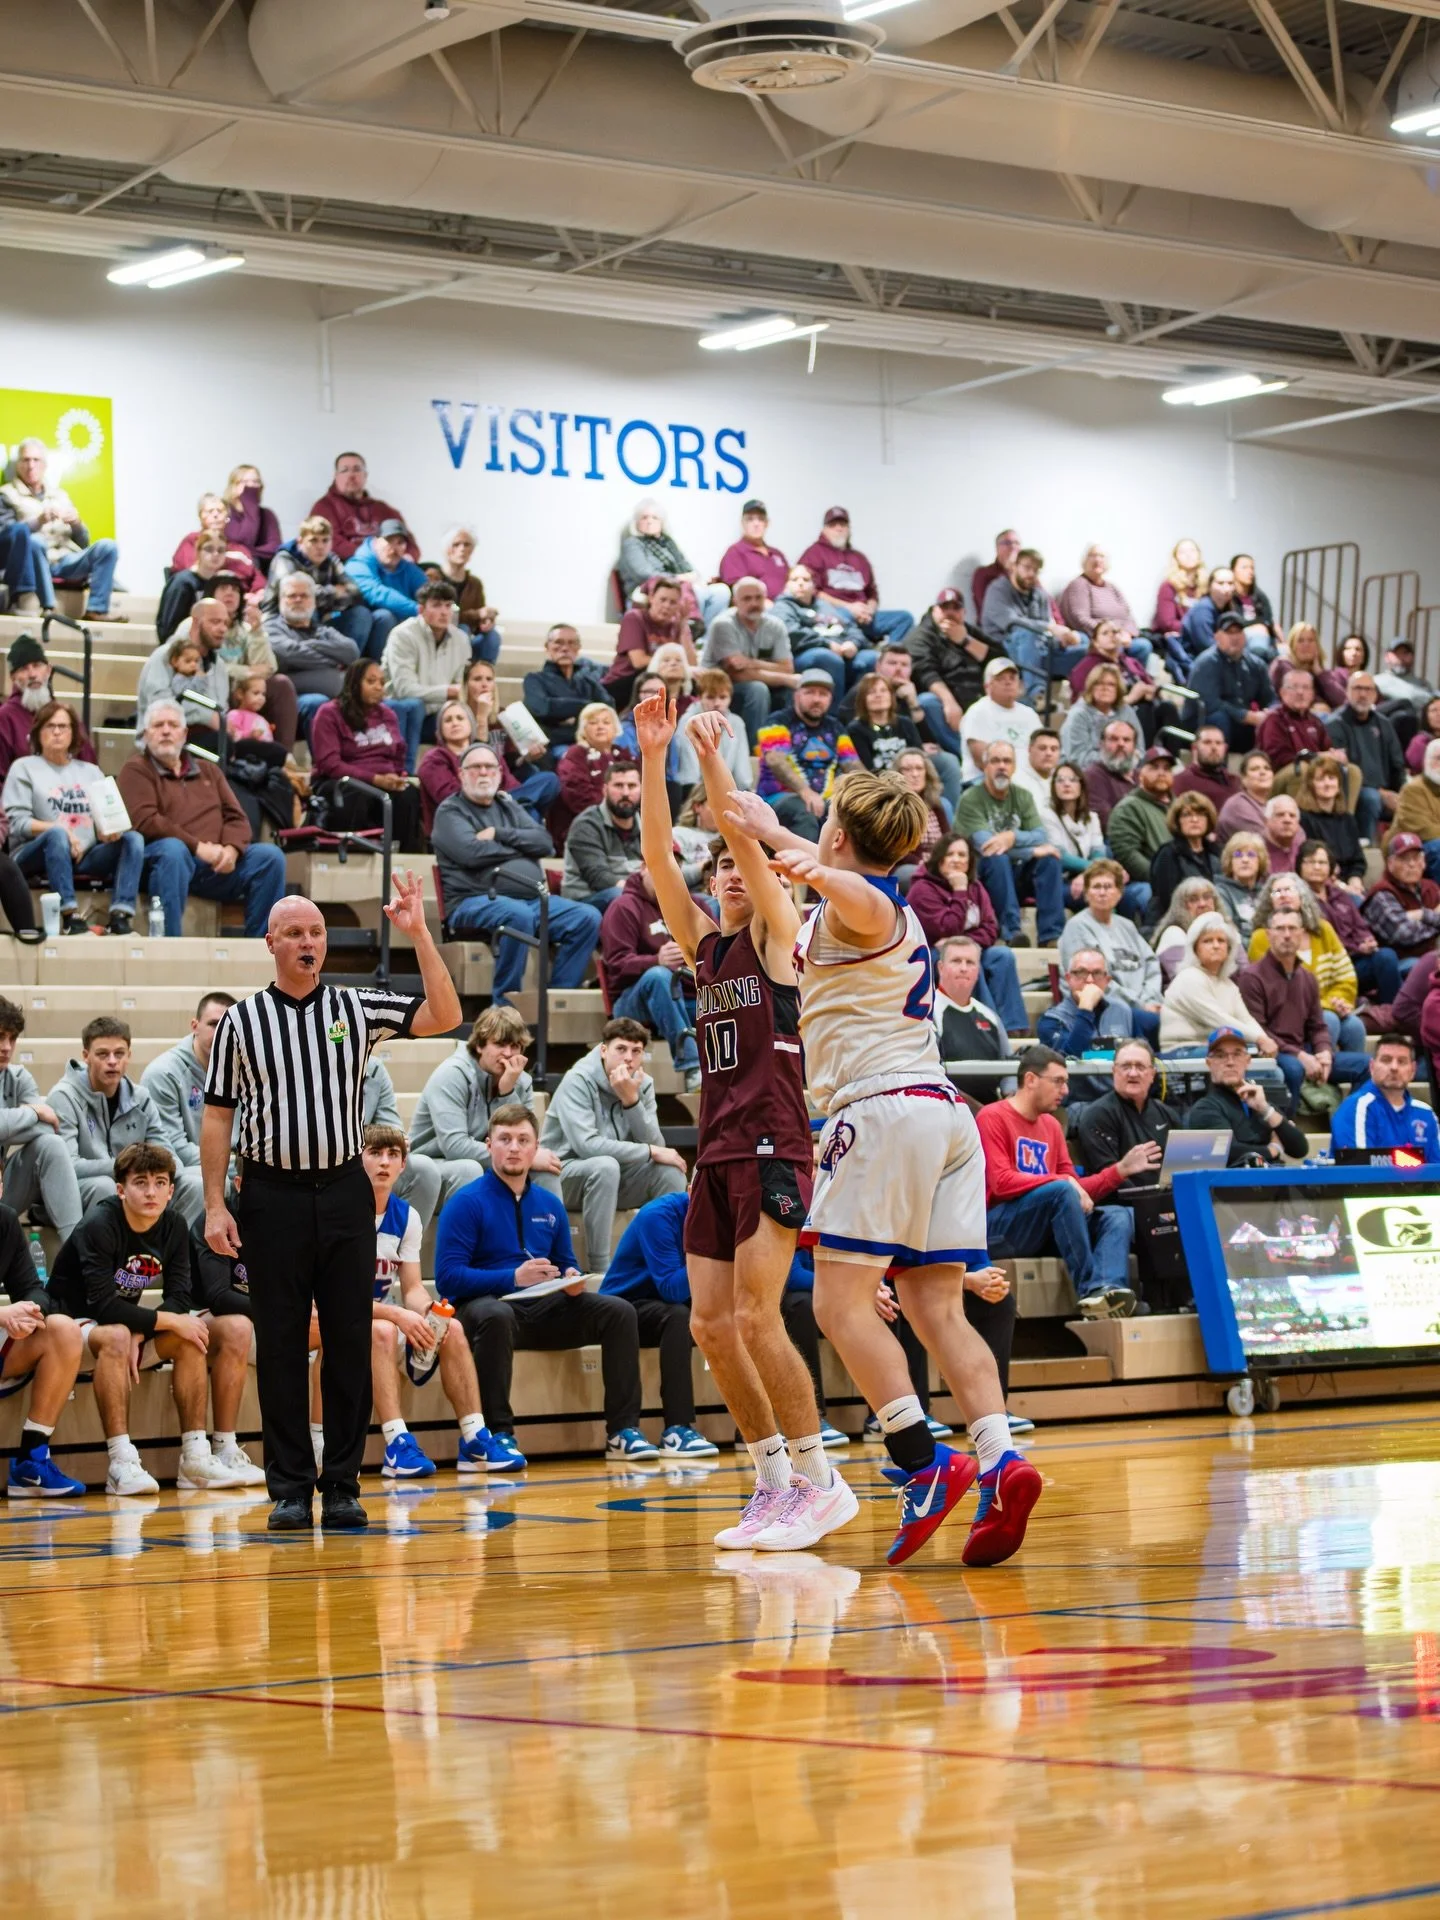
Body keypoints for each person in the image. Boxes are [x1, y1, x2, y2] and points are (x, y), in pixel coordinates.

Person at [721, 769, 1041, 1569]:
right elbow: (785, 877)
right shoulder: (833, 904)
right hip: (941, 1117)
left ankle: (920, 1462)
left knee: (839, 1305)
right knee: (938, 1312)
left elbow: (852, 890)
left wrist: (788, 845)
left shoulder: (875, 904)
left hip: (883, 1110)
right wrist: (754, 823)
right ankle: (1001, 1459)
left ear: (838, 837)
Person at [635, 692, 845, 1538]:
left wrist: (714, 761)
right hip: (717, 1151)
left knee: (760, 1318)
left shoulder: (776, 938)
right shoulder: (705, 948)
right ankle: (772, 1482)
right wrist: (654, 756)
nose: (727, 873)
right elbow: (657, 860)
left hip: (773, 1143)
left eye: (736, 863)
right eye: (716, 864)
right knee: (712, 1326)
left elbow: (753, 860)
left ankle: (822, 1478)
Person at [201, 880, 462, 1532]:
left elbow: (445, 1015)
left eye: (315, 932)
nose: (308, 942)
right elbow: (217, 1118)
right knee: (285, 1344)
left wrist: (420, 935)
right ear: (271, 944)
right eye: (294, 933)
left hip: (344, 1193)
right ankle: (290, 1487)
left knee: (349, 1341)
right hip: (269, 1196)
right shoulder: (240, 1021)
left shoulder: (356, 1006)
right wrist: (214, 1204)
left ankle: (342, 1485)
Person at [436, 1102, 659, 1464]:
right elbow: (448, 1277)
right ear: (489, 1144)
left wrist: (571, 1279)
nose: (514, 1147)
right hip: (484, 1309)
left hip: (542, 1309)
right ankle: (497, 1434)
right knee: (495, 1315)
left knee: (618, 1311)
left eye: (523, 1139)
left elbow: (566, 1264)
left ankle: (622, 1431)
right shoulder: (465, 1202)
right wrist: (511, 1277)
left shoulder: (549, 1203)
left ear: (536, 1147)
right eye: (505, 1139)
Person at [49, 1142, 244, 1493]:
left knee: (191, 1333)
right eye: (140, 1182)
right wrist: (154, 1323)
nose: (151, 1191)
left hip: (124, 1326)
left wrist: (147, 1327)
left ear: (172, 1190)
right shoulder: (99, 1224)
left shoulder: (174, 1225)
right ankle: (120, 1461)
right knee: (120, 1333)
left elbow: (180, 1295)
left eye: (159, 1182)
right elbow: (105, 1308)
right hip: (72, 1325)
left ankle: (195, 1457)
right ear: (121, 1190)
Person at [352, 1125, 502, 1478]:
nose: (384, 1163)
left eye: (393, 1156)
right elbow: (336, 1299)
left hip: (383, 1316)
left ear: (404, 1165)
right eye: (375, 1154)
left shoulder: (407, 1217)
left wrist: (428, 1313)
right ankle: (396, 1444)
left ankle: (474, 1438)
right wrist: (398, 1315)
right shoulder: (338, 1214)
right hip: (342, 1320)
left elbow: (414, 1287)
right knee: (385, 1331)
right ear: (359, 1160)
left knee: (453, 1329)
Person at [433, 743, 601, 1006]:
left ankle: (555, 999)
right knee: (517, 915)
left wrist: (499, 835)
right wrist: (520, 851)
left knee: (586, 917)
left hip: (530, 900)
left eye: (489, 767)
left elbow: (544, 843)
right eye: (475, 767)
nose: (483, 773)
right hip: (472, 900)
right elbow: (471, 853)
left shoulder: (507, 805)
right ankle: (504, 1005)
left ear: (500, 773)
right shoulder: (450, 811)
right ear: (461, 774)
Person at [977, 1047, 1140, 1318]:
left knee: (1118, 1216)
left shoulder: (1051, 1126)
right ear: (1030, 1080)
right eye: (1058, 1081)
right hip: (1000, 1227)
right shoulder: (992, 1117)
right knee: (1061, 1190)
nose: (1065, 1091)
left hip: (1046, 1224)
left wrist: (1119, 1171)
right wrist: (1063, 1181)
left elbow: (1075, 1190)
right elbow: (1002, 1183)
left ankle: (1105, 1289)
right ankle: (1088, 1291)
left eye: (1066, 1082)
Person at [117, 700, 287, 938]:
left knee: (270, 857)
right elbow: (145, 820)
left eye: (173, 725)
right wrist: (197, 847)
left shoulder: (209, 770)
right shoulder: (135, 769)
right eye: (158, 725)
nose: (166, 730)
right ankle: (170, 946)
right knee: (173, 850)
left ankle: (259, 950)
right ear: (146, 735)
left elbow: (237, 818)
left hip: (214, 865)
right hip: (162, 863)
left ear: (184, 734)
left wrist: (231, 850)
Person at [538, 1019, 688, 1273]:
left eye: (636, 1051)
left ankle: (665, 1265)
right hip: (563, 1174)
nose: (628, 1058)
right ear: (603, 1050)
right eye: (621, 1049)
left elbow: (656, 1143)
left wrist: (631, 1101)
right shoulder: (578, 1080)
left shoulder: (643, 1084)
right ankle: (601, 1269)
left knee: (670, 1172)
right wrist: (649, 1151)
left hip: (614, 1177)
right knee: (605, 1166)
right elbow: (586, 1146)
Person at [595, 1193, 722, 1457]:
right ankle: (677, 1429)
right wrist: (713, 1254)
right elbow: (671, 1289)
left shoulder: (723, 1220)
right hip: (626, 1306)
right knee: (677, 1315)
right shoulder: (659, 1215)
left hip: (670, 1304)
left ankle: (751, 1430)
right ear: (693, 1188)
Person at [3, 700, 144, 936]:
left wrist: (108, 831)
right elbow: (17, 824)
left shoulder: (91, 771)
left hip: (84, 855)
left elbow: (107, 820)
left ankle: (120, 915)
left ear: (73, 733)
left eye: (63, 726)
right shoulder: (24, 767)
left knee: (133, 839)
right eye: (50, 726)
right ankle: (70, 915)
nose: (57, 732)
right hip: (32, 854)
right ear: (38, 732)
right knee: (56, 834)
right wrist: (59, 830)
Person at [50, 1013, 205, 1223]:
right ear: (86, 1056)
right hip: (84, 1186)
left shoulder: (140, 1097)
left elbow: (165, 1150)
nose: (112, 1061)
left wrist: (162, 1174)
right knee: (106, 1187)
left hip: (136, 1182)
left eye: (119, 1053)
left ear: (129, 1055)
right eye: (103, 1054)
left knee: (198, 1183)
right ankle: (109, 1255)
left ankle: (169, 1252)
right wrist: (128, 1169)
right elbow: (69, 1167)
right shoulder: (64, 1097)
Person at [0, 1160, 87, 1493]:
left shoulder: (6, 1221)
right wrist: (3, 1315)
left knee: (63, 1329)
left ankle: (30, 1462)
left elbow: (34, 1287)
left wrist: (30, 1312)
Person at [409, 1005, 549, 1202]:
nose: (508, 1053)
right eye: (500, 1044)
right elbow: (454, 1146)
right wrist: (523, 1156)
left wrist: (507, 1091)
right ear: (480, 1045)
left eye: (515, 1046)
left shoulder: (521, 1081)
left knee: (546, 1171)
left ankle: (541, 1233)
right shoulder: (453, 1074)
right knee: (469, 1169)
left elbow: (525, 1138)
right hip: (432, 1163)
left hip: (487, 1159)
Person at [1237, 905, 1370, 1109]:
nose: (1287, 935)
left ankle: (1349, 1118)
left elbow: (1317, 1025)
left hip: (1304, 1050)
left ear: (1302, 934)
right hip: (1273, 1053)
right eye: (1280, 928)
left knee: (1366, 1065)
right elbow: (1259, 1030)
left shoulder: (1307, 978)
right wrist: (1300, 1056)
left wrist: (1324, 1052)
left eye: (1292, 928)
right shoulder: (1252, 977)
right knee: (1293, 1069)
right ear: (1268, 934)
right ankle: (1287, 1130)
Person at [907, 833, 1028, 1033]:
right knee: (967, 961)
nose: (956, 860)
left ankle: (1014, 1028)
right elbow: (947, 928)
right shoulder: (922, 889)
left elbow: (991, 928)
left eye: (962, 855)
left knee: (1003, 956)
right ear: (940, 858)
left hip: (966, 948)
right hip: (931, 955)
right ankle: (987, 1028)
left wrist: (966, 943)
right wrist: (959, 890)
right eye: (951, 854)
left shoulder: (976, 887)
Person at [599, 868, 704, 1090]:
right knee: (659, 977)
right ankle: (692, 1067)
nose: (667, 877)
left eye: (673, 871)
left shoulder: (694, 906)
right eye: (660, 868)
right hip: (632, 999)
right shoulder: (623, 907)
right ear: (645, 868)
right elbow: (616, 965)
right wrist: (656, 960)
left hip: (685, 997)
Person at [953, 740, 1064, 947]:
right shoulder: (970, 799)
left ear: (1014, 767)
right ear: (985, 767)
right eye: (995, 761)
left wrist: (1012, 837)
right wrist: (1031, 851)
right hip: (983, 876)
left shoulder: (1022, 795)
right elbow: (987, 846)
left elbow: (1040, 834)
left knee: (1050, 859)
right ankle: (1011, 932)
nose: (1002, 766)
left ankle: (1051, 936)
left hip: (1016, 874)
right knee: (998, 858)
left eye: (1007, 761)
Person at [0, 438, 124, 619]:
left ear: (45, 465)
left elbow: (83, 542)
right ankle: (48, 607)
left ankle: (96, 609)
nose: (31, 465)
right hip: (33, 561)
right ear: (18, 465)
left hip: (66, 560)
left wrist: (77, 524)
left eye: (36, 460)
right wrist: (38, 521)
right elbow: (7, 537)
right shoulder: (7, 494)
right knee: (35, 541)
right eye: (26, 460)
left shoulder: (59, 495)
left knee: (108, 547)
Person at [309, 658, 421, 847]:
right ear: (354, 683)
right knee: (357, 792)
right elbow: (330, 764)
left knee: (409, 794)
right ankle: (353, 856)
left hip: (383, 780)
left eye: (381, 682)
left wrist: (397, 776)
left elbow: (398, 753)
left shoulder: (388, 714)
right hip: (340, 781)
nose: (378, 687)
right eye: (371, 681)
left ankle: (402, 860)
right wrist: (375, 779)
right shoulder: (329, 713)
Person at [1250, 870, 1366, 1053]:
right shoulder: (1261, 937)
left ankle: (1337, 1072)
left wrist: (1337, 1001)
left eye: (1289, 889)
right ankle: (1317, 1073)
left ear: (1302, 895)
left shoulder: (1323, 930)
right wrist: (1323, 1008)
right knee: (1329, 1021)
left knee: (1355, 1027)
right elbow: (1267, 987)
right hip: (1287, 1015)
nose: (1283, 895)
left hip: (1327, 1007)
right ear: (1269, 900)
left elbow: (1346, 976)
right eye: (1277, 892)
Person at [0, 998, 83, 1242]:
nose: (6, 1047)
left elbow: (48, 1127)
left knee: (51, 1145)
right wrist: (34, 1113)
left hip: (4, 1187)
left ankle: (76, 1252)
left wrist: (13, 1123)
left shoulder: (19, 1077)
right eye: (0, 1036)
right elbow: (40, 1118)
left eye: (12, 1038)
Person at [1059, 860, 1163, 1042]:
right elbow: (1094, 980)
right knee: (1160, 1024)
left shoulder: (1127, 925)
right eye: (1096, 887)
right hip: (1105, 1007)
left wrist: (1150, 999)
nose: (1102, 892)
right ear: (1086, 893)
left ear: (1119, 893)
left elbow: (1151, 965)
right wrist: (1140, 1005)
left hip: (1142, 1006)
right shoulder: (1077, 926)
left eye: (1108, 886)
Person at [755, 670, 859, 845]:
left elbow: (852, 764)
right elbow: (776, 761)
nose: (816, 699)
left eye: (823, 694)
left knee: (851, 815)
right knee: (806, 813)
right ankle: (804, 871)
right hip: (777, 798)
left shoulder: (835, 727)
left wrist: (873, 793)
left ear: (830, 699)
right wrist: (805, 791)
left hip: (825, 800)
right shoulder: (778, 721)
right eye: (809, 692)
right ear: (796, 695)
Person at [141, 992, 237, 1173]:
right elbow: (173, 1149)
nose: (220, 1033)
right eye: (213, 1024)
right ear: (195, 1026)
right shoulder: (163, 1074)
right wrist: (239, 1167)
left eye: (227, 1027)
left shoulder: (246, 1070)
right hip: (187, 1172)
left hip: (234, 1167)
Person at [1075, 1038, 1179, 1205]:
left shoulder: (1167, 1114)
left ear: (1152, 1074)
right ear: (1114, 1071)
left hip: (1166, 1200)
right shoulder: (1097, 1115)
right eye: (1125, 1066)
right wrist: (1152, 1202)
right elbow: (1107, 1177)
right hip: (1117, 1206)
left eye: (1140, 1066)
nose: (1133, 1073)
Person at [1297, 837, 1399, 1004]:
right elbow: (1323, 939)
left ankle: (1391, 1013)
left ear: (1331, 867)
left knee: (1386, 957)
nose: (1316, 867)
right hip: (1329, 967)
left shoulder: (1341, 896)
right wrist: (1357, 947)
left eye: (1322, 862)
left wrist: (1367, 941)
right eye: (1310, 862)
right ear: (1299, 866)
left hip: (1356, 959)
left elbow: (1360, 926)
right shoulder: (1298, 899)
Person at [981, 546, 1086, 707]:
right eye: (1027, 568)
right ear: (1014, 566)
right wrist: (1051, 628)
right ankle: (1037, 695)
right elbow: (1012, 623)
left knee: (1085, 642)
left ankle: (1088, 697)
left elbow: (1044, 632)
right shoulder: (998, 589)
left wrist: (1064, 638)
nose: (1031, 574)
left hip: (1038, 652)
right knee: (1026, 634)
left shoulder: (1039, 594)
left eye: (1036, 570)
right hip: (1006, 648)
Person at [1159, 912, 1276, 1054]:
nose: (1215, 946)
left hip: (1217, 1048)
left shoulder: (1229, 985)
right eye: (1207, 941)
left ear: (1229, 949)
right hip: (1184, 1049)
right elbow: (1218, 1020)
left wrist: (1265, 1040)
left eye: (1221, 941)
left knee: (1271, 1068)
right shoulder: (1189, 978)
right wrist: (1259, 1040)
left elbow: (1246, 1019)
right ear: (1195, 948)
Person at [1186, 1027, 1307, 1164]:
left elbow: (1300, 1149)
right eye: (1220, 1056)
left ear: (1247, 1061)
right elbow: (1225, 1152)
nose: (1230, 1062)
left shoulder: (1259, 1101)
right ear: (1209, 1063)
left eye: (1237, 1054)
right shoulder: (1205, 1108)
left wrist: (1266, 1110)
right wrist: (1273, 1149)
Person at [381, 581, 471, 765]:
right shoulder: (402, 635)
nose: (444, 612)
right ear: (421, 609)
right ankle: (406, 770)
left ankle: (461, 770)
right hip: (400, 710)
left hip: (438, 712)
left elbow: (461, 688)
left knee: (464, 713)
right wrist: (448, 692)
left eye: (448, 606)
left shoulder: (461, 639)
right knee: (414, 705)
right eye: (437, 605)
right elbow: (404, 690)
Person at [909, 588, 1008, 756]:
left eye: (955, 608)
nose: (950, 613)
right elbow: (925, 672)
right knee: (927, 702)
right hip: (948, 701)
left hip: (978, 697)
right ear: (935, 610)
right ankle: (968, 757)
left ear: (964, 612)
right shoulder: (921, 635)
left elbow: (1002, 658)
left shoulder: (966, 631)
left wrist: (966, 641)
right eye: (945, 607)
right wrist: (949, 702)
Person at [700, 576, 797, 743]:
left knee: (789, 692)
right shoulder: (723, 624)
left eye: (758, 597)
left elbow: (788, 667)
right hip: (719, 688)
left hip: (758, 682)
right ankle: (755, 750)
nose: (754, 603)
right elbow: (737, 674)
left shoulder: (776, 625)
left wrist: (751, 663)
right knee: (758, 690)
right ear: (735, 601)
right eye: (747, 598)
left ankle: (784, 747)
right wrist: (785, 678)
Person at [797, 505, 912, 647]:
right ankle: (857, 647)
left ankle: (889, 657)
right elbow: (813, 592)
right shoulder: (814, 553)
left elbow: (872, 593)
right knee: (841, 617)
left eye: (843, 524)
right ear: (824, 529)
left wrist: (868, 610)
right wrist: (850, 607)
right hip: (835, 614)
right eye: (833, 525)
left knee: (904, 618)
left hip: (865, 616)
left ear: (849, 529)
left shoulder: (860, 558)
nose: (839, 528)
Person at [264, 514, 373, 655]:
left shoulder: (331, 559)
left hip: (317, 622)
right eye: (313, 541)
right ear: (300, 542)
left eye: (325, 540)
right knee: (306, 605)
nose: (320, 546)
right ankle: (322, 662)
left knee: (361, 614)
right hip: (280, 622)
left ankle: (349, 669)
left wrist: (320, 595)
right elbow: (298, 596)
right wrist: (334, 592)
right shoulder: (284, 559)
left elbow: (355, 591)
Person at [0, 632, 97, 784]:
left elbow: (89, 766)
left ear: (48, 670)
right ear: (13, 677)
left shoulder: (64, 714)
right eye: (24, 669)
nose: (32, 674)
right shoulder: (5, 717)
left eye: (37, 666)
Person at [616, 499, 727, 628]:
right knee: (691, 591)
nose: (649, 521)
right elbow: (644, 574)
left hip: (678, 586)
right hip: (647, 591)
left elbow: (686, 566)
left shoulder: (668, 543)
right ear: (637, 522)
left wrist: (695, 577)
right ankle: (690, 628)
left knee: (721, 591)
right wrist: (677, 578)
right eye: (644, 517)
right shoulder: (632, 544)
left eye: (654, 518)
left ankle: (704, 638)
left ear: (662, 522)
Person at [931, 936, 1015, 1101]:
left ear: (978, 971)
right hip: (945, 1107)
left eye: (970, 962)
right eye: (956, 961)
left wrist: (1009, 1101)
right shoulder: (928, 1012)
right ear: (940, 968)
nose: (964, 968)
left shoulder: (990, 1017)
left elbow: (1009, 1070)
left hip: (990, 1112)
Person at [1325, 670, 1405, 841]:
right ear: (1347, 692)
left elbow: (1397, 764)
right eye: (1357, 688)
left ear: (1375, 695)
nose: (1363, 694)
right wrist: (1381, 793)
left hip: (1386, 793)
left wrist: (1401, 794)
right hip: (1354, 792)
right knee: (1371, 798)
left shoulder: (1384, 724)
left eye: (1368, 690)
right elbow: (1343, 771)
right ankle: (1365, 851)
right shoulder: (1335, 724)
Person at [562, 757, 651, 911]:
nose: (625, 793)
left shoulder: (647, 826)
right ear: (605, 790)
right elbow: (599, 878)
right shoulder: (586, 824)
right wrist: (647, 892)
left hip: (633, 893)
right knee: (623, 897)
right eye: (618, 785)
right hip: (587, 899)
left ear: (641, 789)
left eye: (632, 786)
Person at [1332, 1033, 1440, 1159]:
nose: (1394, 1067)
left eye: (1402, 1061)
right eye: (1386, 1060)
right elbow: (1359, 1171)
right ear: (1372, 1067)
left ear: (1413, 1070)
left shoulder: (1425, 1113)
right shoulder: (1356, 1108)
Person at [263, 571, 360, 706]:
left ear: (314, 601)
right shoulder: (270, 628)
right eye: (292, 596)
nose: (298, 600)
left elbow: (351, 651)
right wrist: (334, 661)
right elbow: (289, 654)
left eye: (304, 596)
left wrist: (312, 644)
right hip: (291, 699)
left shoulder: (323, 631)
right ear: (281, 601)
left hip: (329, 697)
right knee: (316, 702)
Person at [771, 564, 868, 695]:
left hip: (841, 650)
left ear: (814, 586)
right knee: (827, 658)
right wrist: (827, 644)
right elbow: (791, 633)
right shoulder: (782, 606)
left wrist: (853, 643)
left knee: (870, 658)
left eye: (805, 580)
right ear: (786, 586)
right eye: (794, 580)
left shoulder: (824, 605)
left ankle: (856, 711)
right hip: (805, 653)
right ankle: (832, 714)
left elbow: (851, 628)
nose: (800, 583)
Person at [520, 623, 613, 755]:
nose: (565, 648)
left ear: (578, 648)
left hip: (590, 744)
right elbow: (541, 707)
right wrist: (586, 707)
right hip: (556, 747)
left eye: (571, 643)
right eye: (559, 642)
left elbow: (608, 708)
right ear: (547, 647)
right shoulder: (535, 679)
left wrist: (560, 713)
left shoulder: (587, 682)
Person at [309, 452, 417, 563]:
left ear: (365, 475)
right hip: (350, 566)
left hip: (389, 564)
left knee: (431, 569)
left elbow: (409, 542)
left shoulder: (383, 509)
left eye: (357, 469)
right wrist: (373, 558)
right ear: (336, 476)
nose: (351, 475)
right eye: (344, 470)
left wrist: (408, 557)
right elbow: (332, 543)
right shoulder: (324, 507)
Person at [1187, 612, 1275, 746]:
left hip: (1239, 722)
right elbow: (1211, 704)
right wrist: (1246, 716)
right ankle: (1219, 766)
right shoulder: (1206, 663)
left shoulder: (1255, 664)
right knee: (1220, 718)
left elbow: (1270, 697)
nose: (1234, 637)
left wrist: (1270, 712)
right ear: (1217, 636)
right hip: (1203, 721)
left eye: (1238, 632)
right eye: (1229, 632)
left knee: (1272, 721)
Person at [1036, 947, 1137, 1063]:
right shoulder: (1052, 1020)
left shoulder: (1122, 1011)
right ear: (1069, 979)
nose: (1089, 980)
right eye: (1081, 972)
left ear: (1107, 980)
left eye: (1097, 973)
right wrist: (1086, 1009)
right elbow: (1067, 1062)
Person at [1107, 744, 1177, 908]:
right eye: (1154, 767)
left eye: (1167, 768)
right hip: (1144, 882)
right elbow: (1128, 855)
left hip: (1182, 878)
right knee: (1149, 895)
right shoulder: (1129, 808)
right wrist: (1164, 879)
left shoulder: (1181, 806)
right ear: (1139, 773)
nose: (1161, 773)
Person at [1363, 830, 1440, 962]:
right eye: (1404, 859)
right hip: (1402, 961)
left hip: (1431, 958)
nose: (1411, 864)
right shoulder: (1382, 894)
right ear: (1390, 863)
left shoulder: (1431, 887)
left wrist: (1421, 915)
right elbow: (1404, 935)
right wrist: (1431, 915)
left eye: (1416, 858)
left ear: (1424, 862)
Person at [1146, 791, 1220, 925]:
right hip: (1176, 924)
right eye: (1187, 815)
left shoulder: (1216, 852)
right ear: (1177, 821)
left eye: (1200, 814)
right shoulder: (1168, 854)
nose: (1194, 820)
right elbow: (1168, 900)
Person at [675, 670, 753, 793]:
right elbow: (689, 773)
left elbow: (742, 771)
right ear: (699, 698)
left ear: (730, 698)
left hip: (730, 791)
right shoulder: (688, 721)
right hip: (695, 792)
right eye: (710, 697)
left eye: (723, 697)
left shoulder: (737, 722)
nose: (717, 703)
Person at [961, 658, 1043, 774]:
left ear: (1019, 685)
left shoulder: (1029, 714)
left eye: (1012, 678)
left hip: (1027, 779)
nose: (1008, 682)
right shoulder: (977, 712)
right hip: (986, 781)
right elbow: (982, 760)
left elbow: (1042, 751)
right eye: (1000, 679)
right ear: (987, 687)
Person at [1038, 760, 1107, 897]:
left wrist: (1086, 875)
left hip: (1086, 876)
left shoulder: (1092, 818)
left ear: (1081, 785)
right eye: (1060, 780)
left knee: (1109, 891)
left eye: (1073, 780)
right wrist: (1096, 869)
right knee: (1098, 894)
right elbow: (1060, 856)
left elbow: (1098, 852)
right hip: (1059, 881)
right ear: (1053, 786)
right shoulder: (1046, 815)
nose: (1066, 784)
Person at [1294, 753, 1364, 885]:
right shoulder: (1304, 819)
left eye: (1331, 778)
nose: (1327, 784)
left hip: (1350, 883)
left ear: (1338, 784)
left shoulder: (1347, 819)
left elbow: (1358, 859)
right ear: (1311, 785)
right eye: (1320, 779)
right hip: (1323, 883)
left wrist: (1355, 878)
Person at [349, 519, 430, 632]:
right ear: (375, 541)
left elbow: (430, 590)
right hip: (359, 629)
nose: (394, 548)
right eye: (389, 540)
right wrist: (419, 610)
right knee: (384, 616)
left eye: (400, 542)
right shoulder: (357, 564)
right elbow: (377, 593)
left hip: (398, 631)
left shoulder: (408, 568)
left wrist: (439, 608)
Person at [434, 525, 500, 659]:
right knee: (461, 630)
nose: (462, 549)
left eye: (467, 545)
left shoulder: (475, 583)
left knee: (492, 636)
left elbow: (478, 617)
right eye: (456, 544)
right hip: (439, 634)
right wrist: (477, 614)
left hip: (468, 636)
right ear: (446, 548)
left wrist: (487, 619)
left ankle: (482, 674)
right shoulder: (434, 578)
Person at [1058, 545, 1141, 644]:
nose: (1097, 560)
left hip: (1120, 636)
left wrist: (1128, 633)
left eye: (1102, 556)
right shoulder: (1079, 585)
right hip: (1096, 637)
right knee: (1114, 648)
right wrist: (1110, 634)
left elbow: (1128, 615)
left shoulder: (1112, 587)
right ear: (1084, 562)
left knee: (1143, 645)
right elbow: (1080, 619)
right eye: (1092, 555)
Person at [1257, 668, 1329, 773]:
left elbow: (1327, 749)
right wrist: (1314, 758)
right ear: (1282, 692)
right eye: (1294, 687)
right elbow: (1277, 759)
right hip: (1283, 774)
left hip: (1314, 772)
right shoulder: (1274, 719)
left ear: (1312, 694)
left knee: (1351, 770)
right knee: (1300, 769)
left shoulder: (1316, 721)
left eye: (1306, 687)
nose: (1300, 692)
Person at [717, 498, 790, 601]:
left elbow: (791, 581)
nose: (756, 524)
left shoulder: (777, 554)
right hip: (758, 609)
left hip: (788, 604)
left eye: (760, 519)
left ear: (767, 523)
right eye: (750, 519)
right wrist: (761, 602)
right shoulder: (735, 552)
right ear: (742, 523)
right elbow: (738, 589)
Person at [1060, 663, 1128, 771]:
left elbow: (1138, 750)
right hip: (1081, 774)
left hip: (1119, 770)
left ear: (1118, 689)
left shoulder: (1125, 711)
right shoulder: (1078, 715)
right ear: (1091, 687)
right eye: (1099, 684)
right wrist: (1117, 758)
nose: (1105, 688)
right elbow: (1078, 759)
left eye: (1111, 684)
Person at [1391, 736, 1440, 883]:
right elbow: (1424, 830)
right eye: (1438, 758)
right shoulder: (1413, 789)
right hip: (1408, 846)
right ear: (1426, 762)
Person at [1085, 715, 1142, 829]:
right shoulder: (1093, 775)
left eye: (1126, 740)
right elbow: (1106, 820)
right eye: (1114, 739)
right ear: (1101, 744)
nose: (1121, 744)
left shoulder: (1141, 776)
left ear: (1134, 746)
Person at [1216, 832, 1270, 942]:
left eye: (1251, 855)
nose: (1245, 860)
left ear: (1260, 861)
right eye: (1237, 855)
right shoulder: (1221, 892)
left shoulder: (1266, 892)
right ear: (1230, 862)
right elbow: (1229, 935)